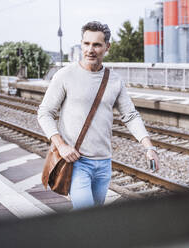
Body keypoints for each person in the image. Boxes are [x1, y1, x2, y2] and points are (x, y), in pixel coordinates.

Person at [37, 21, 160, 210]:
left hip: (104, 163)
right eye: (86, 44)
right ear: (81, 43)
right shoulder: (65, 75)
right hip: (77, 162)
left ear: (107, 47)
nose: (90, 50)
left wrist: (149, 147)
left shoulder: (114, 80)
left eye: (96, 44)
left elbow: (130, 116)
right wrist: (61, 146)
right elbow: (45, 113)